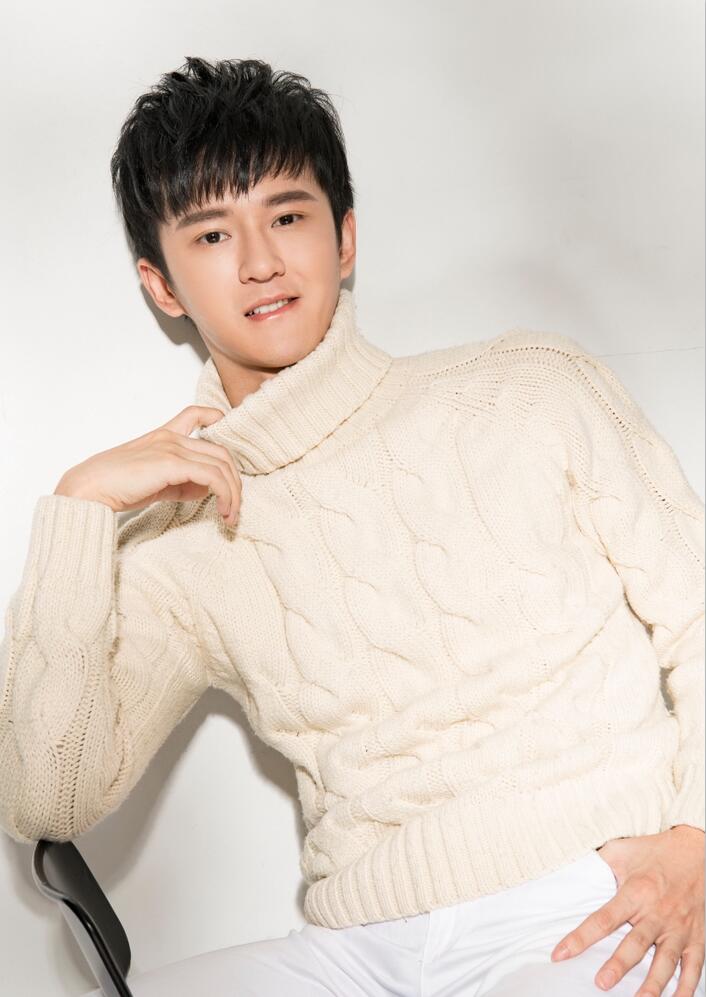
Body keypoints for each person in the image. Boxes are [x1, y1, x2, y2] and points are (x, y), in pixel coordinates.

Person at [0, 55, 703, 997]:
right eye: (212, 234)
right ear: (161, 285)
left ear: (345, 237)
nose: (260, 261)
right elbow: (44, 801)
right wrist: (78, 510)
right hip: (358, 948)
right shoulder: (179, 542)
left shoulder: (532, 388)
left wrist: (700, 839)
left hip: (589, 903)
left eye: (288, 216)